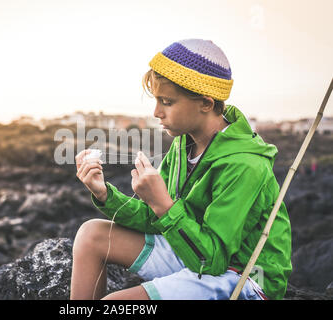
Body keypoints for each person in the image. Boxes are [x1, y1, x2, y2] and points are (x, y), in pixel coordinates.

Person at [71, 39, 292, 300]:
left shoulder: (245, 165)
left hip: (242, 275)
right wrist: (104, 195)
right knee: (91, 235)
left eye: (167, 101)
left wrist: (163, 204)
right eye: (156, 100)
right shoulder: (182, 145)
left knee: (116, 303)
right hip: (191, 249)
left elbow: (212, 261)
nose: (156, 112)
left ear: (206, 103)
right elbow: (157, 220)